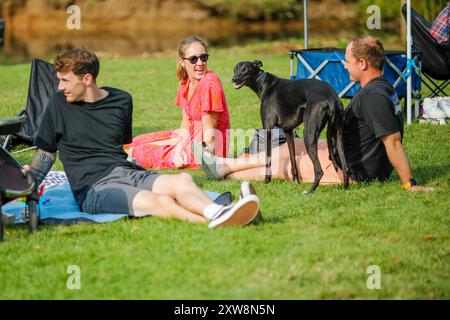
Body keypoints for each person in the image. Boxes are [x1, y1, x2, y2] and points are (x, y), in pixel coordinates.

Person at [23, 48, 261, 229]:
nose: (59, 86)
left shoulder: (121, 101)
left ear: (87, 79)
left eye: (65, 80)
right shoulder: (57, 104)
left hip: (125, 171)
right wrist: (27, 183)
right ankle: (222, 218)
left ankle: (220, 211)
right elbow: (45, 154)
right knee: (157, 201)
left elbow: (120, 145)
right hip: (94, 187)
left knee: (182, 181)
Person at [194, 36, 434, 192]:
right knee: (293, 145)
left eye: (347, 60)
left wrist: (409, 183)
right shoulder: (380, 88)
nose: (343, 65)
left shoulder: (373, 97)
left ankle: (225, 173)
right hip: (344, 146)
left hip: (350, 167)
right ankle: (224, 165)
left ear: (362, 63)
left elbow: (391, 140)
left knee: (283, 166)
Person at [124, 36, 230, 169]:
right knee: (133, 142)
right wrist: (179, 146)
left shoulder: (209, 84)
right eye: (193, 59)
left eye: (203, 57)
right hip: (190, 138)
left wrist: (182, 153)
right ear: (182, 61)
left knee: (136, 152)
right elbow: (185, 124)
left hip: (206, 151)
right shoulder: (185, 82)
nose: (200, 63)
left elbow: (210, 138)